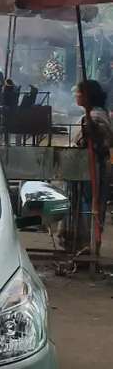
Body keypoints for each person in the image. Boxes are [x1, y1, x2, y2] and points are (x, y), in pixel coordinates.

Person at [75, 80, 112, 246]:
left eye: (78, 92)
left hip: (93, 169)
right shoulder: (92, 114)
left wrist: (91, 128)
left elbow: (100, 141)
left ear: (86, 96)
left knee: (91, 207)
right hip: (88, 169)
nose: (76, 95)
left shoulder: (96, 117)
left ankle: (88, 245)